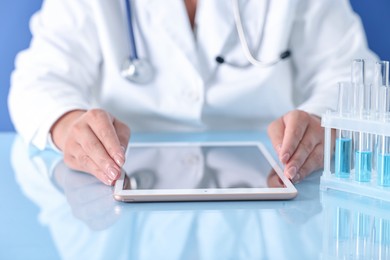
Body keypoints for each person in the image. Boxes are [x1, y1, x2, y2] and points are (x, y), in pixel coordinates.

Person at [8, 0, 377, 186]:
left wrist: (320, 123)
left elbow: (353, 73)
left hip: (277, 176)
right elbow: (37, 81)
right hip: (123, 180)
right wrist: (68, 124)